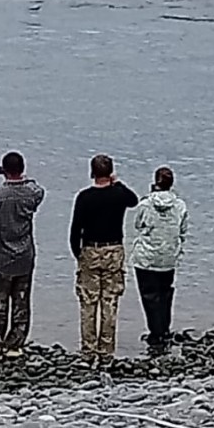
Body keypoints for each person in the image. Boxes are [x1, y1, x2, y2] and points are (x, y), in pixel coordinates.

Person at [0, 151, 45, 361]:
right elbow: (38, 189)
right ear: (22, 169)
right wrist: (23, 179)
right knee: (21, 301)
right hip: (25, 255)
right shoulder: (32, 193)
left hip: (1, 256)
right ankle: (15, 344)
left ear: (4, 170)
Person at [69, 155, 138, 367]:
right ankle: (106, 352)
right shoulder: (118, 195)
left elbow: (75, 230)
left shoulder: (84, 197)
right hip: (114, 249)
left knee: (88, 303)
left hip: (90, 249)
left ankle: (88, 352)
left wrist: (78, 254)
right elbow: (133, 200)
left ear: (92, 173)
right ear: (110, 172)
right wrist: (117, 182)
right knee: (110, 303)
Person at [129, 166, 189, 352]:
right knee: (165, 293)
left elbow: (138, 225)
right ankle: (164, 329)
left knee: (149, 295)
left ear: (155, 182)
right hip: (168, 257)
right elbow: (183, 230)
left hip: (146, 257)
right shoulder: (180, 205)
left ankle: (155, 332)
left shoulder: (145, 204)